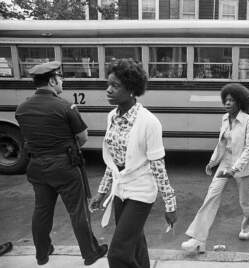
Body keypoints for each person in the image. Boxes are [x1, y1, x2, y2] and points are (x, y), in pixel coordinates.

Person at [14, 61, 107, 266]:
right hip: (64, 166)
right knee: (78, 211)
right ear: (52, 80)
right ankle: (90, 253)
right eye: (60, 77)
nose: (62, 81)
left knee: (41, 210)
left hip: (36, 166)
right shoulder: (65, 106)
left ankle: (42, 253)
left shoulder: (21, 109)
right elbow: (82, 137)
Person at [89, 60, 177, 268]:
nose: (108, 90)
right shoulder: (112, 116)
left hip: (140, 192)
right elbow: (113, 161)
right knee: (135, 243)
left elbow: (158, 167)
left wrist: (170, 204)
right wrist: (102, 191)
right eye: (108, 84)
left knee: (118, 254)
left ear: (131, 90)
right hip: (120, 191)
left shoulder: (149, 122)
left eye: (115, 86)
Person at [181, 83, 249, 252]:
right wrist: (213, 161)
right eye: (226, 100)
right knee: (211, 195)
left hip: (243, 165)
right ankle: (198, 239)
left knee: (245, 201)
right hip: (226, 162)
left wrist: (235, 169)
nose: (227, 103)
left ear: (240, 102)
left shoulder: (248, 120)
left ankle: (247, 226)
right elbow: (222, 143)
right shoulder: (224, 118)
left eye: (232, 100)